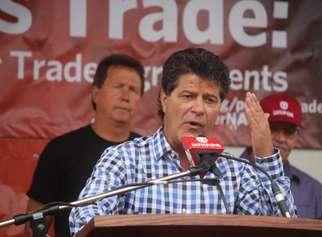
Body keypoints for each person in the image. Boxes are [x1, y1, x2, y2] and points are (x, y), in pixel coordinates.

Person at [69, 48, 296, 236]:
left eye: (209, 100)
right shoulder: (124, 159)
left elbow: (284, 228)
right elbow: (83, 220)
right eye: (188, 96)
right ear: (164, 99)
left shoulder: (236, 174)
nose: (198, 109)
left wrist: (266, 154)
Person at [26, 53, 145, 237]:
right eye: (118, 86)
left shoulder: (147, 153)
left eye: (133, 90)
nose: (125, 96)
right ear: (96, 93)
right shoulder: (61, 150)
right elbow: (34, 227)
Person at [240, 93, 322, 220]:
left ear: (297, 136)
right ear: (254, 127)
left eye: (289, 132)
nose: (281, 138)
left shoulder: (313, 191)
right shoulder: (227, 177)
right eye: (273, 128)